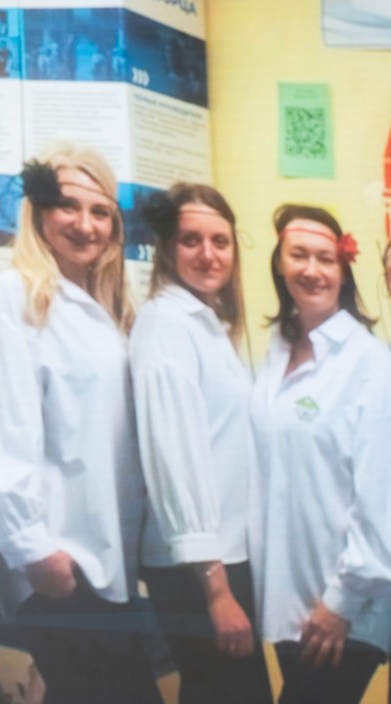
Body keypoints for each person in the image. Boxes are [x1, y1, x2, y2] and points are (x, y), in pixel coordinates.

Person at [0, 145, 161, 704]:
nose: (86, 224)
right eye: (68, 207)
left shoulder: (107, 307)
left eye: (100, 211)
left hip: (106, 560)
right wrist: (33, 550)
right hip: (58, 558)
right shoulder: (16, 296)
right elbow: (7, 433)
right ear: (38, 212)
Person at [132, 184, 272, 704]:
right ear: (168, 248)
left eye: (220, 241)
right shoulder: (166, 324)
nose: (209, 254)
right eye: (192, 240)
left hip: (222, 555)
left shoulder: (206, 324)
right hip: (198, 565)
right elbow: (174, 459)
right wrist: (216, 589)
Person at [251, 205, 391, 704]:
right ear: (279, 264)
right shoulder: (275, 351)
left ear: (344, 270)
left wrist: (341, 602)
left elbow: (380, 500)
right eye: (299, 255)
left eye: (325, 258)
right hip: (289, 597)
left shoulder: (370, 363)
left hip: (346, 607)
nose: (312, 270)